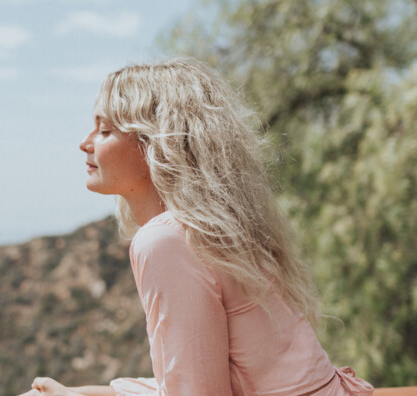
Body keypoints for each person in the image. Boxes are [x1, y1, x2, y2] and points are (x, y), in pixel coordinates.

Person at [19, 58, 374, 396]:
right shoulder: (213, 230)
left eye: (105, 130)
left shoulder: (165, 240)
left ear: (155, 145)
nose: (85, 143)